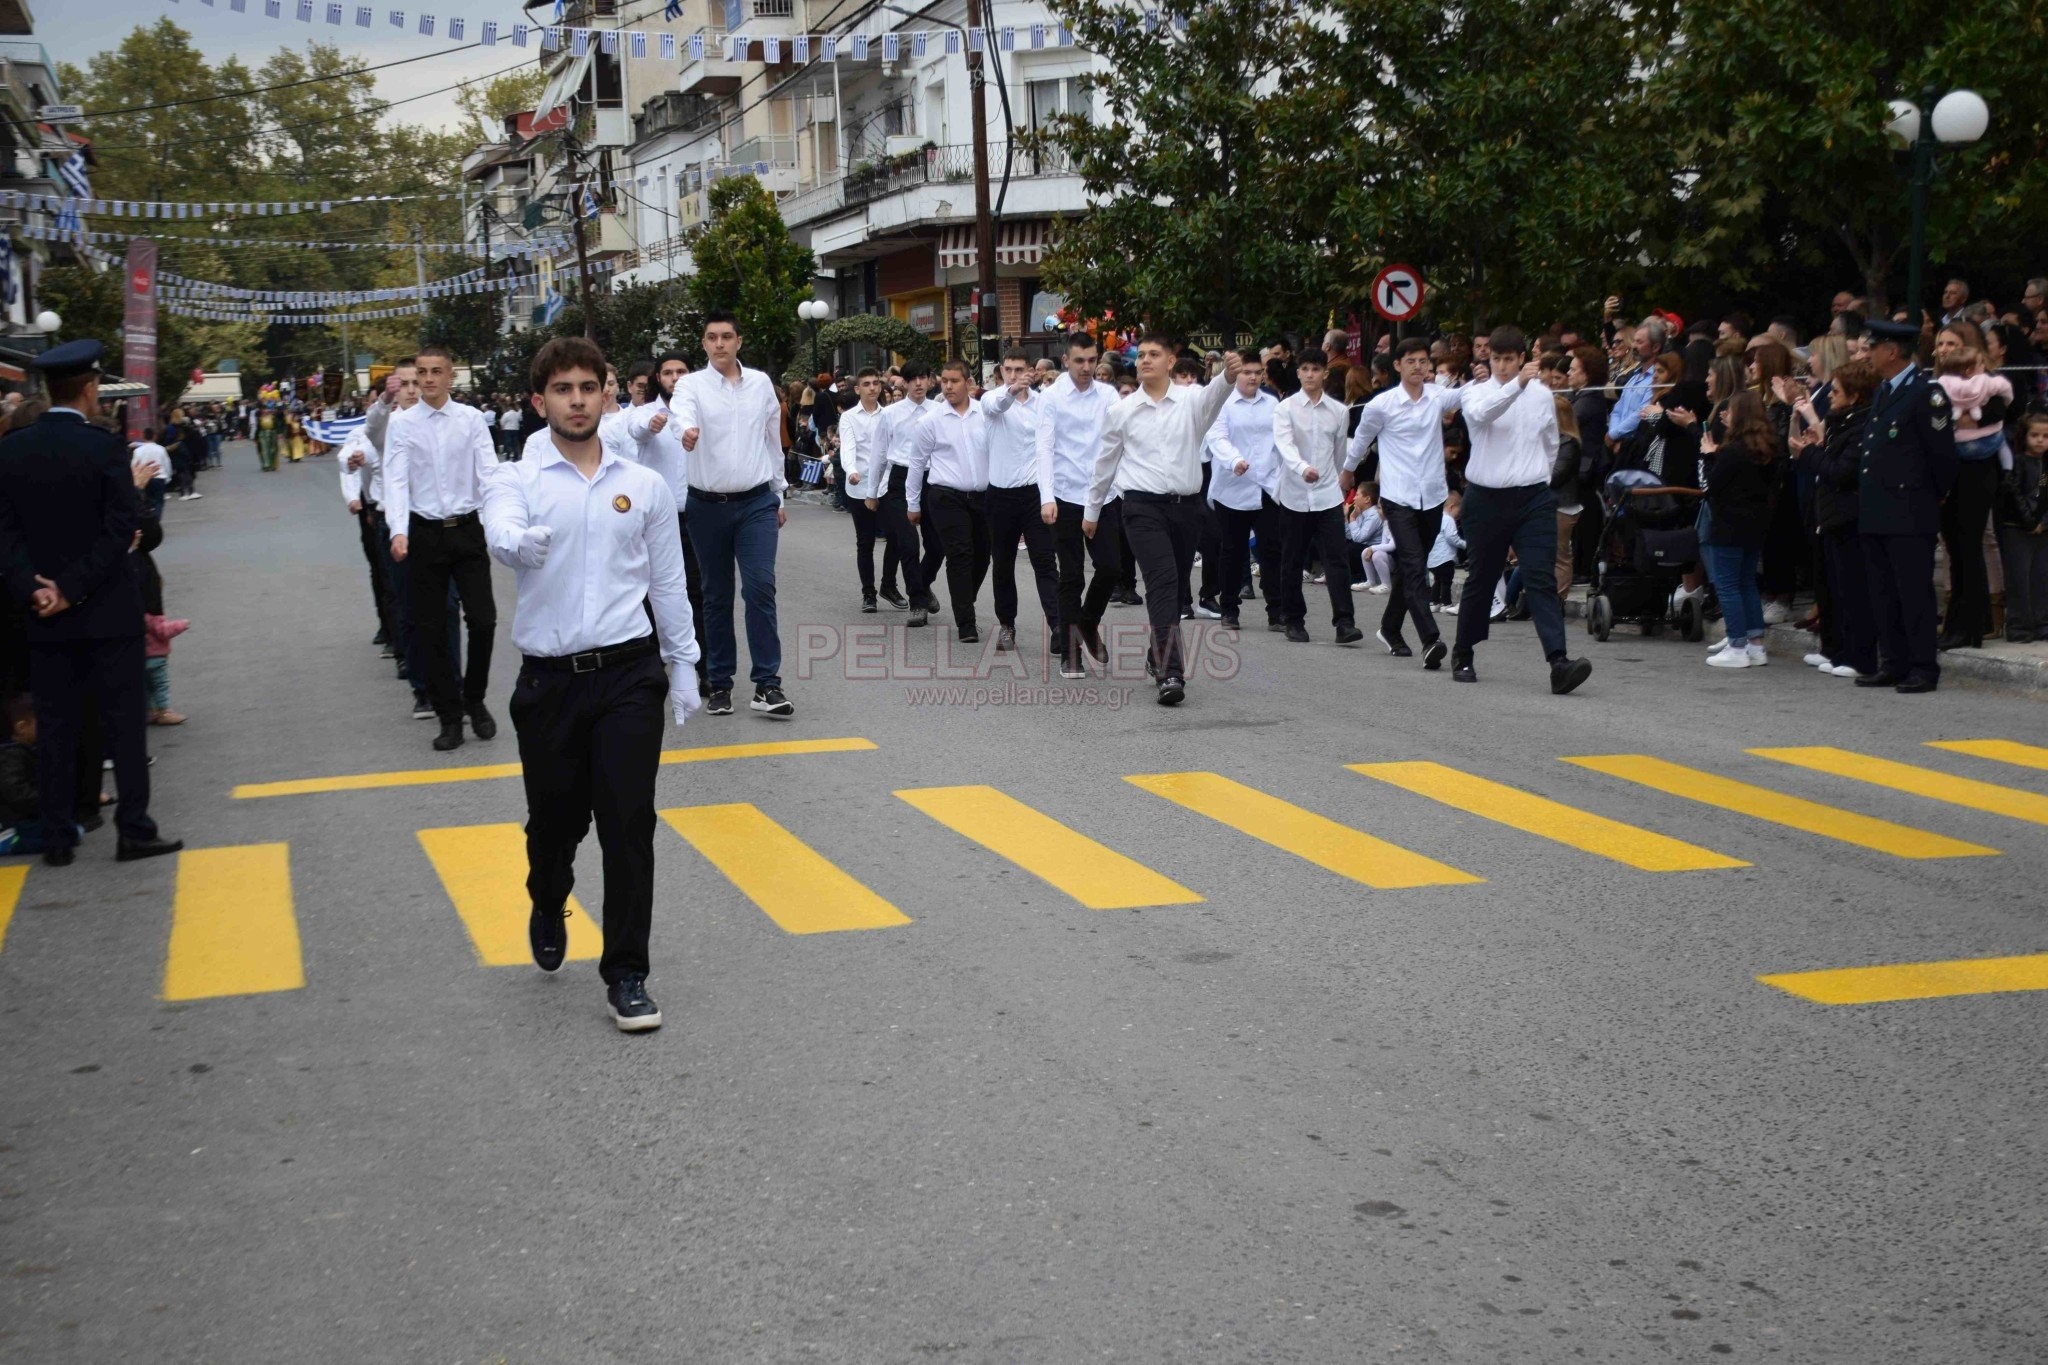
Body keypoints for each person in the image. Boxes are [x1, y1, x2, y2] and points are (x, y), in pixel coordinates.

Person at [480, 336, 701, 1034]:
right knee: (555, 825)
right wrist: (515, 543)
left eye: (588, 387)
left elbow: (667, 582)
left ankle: (627, 972)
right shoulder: (515, 479)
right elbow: (500, 528)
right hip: (548, 682)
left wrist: (684, 661)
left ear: (608, 393)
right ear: (540, 398)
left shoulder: (645, 484)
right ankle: (549, 897)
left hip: (628, 675)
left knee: (629, 824)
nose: (577, 399)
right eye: (563, 389)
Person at [0, 341, 181, 866]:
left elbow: (5, 536)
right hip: (106, 612)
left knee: (55, 726)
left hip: (42, 615)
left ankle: (58, 836)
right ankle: (134, 831)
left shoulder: (11, 450)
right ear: (88, 389)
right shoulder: (105, 448)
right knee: (122, 726)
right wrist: (74, 588)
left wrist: (36, 589)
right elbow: (120, 529)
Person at [1084, 334, 1242, 704]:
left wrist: (1228, 376)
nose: (1145, 360)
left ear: (1171, 362)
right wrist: (1092, 511)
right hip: (1141, 508)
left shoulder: (1191, 400)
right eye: (1142, 355)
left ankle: (1157, 654)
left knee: (1173, 586)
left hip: (1186, 509)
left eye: (1155, 354)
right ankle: (1171, 672)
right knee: (1162, 582)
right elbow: (1105, 463)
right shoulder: (1122, 411)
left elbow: (1215, 396)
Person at [1449, 326, 1594, 694]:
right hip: (1486, 496)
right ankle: (1463, 652)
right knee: (1482, 577)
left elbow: (1550, 443)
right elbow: (1482, 417)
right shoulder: (1476, 393)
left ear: (1521, 358)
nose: (1501, 366)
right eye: (1495, 359)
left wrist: (1538, 480)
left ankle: (1558, 662)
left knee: (1541, 577)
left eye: (1508, 360)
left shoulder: (1543, 397)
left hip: (1532, 498)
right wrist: (1516, 386)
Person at [671, 311, 793, 720]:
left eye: (726, 337)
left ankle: (767, 684)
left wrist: (779, 493)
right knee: (716, 595)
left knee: (760, 587)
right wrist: (686, 431)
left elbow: (772, 441)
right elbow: (680, 413)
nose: (719, 344)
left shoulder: (760, 384)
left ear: (739, 341)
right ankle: (720, 683)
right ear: (704, 344)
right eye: (711, 337)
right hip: (706, 506)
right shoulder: (691, 385)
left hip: (757, 502)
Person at [385, 345, 501, 750]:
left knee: (484, 620)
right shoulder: (402, 425)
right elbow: (395, 480)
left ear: (451, 376)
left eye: (436, 372)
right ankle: (449, 715)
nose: (428, 379)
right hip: (424, 533)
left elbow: (488, 473)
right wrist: (398, 530)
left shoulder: (470, 419)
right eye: (421, 373)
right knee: (431, 629)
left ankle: (475, 698)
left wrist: (494, 522)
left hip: (466, 529)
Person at [1344, 337, 1462, 668]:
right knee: (1413, 566)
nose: (1418, 367)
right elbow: (1362, 440)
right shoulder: (1381, 405)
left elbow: (1468, 396)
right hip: (1398, 497)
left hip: (1433, 495)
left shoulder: (1437, 397)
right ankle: (1431, 639)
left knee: (1414, 566)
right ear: (1397, 366)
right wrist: (1348, 472)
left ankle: (1389, 628)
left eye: (1424, 361)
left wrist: (1506, 382)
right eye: (1411, 361)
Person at [1857, 318, 1959, 693]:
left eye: (1873, 347)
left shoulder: (1924, 394)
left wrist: (1931, 498)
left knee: (1913, 592)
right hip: (1879, 509)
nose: (1867, 354)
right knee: (1883, 592)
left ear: (1892, 351)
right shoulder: (1885, 391)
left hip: (1910, 510)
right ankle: (1894, 662)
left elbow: (1943, 458)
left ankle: (1922, 667)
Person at [1040, 334, 1124, 679]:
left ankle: (1089, 623)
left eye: (1092, 361)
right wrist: (1046, 496)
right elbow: (1044, 448)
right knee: (1071, 576)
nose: (1087, 367)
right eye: (1080, 361)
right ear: (1066, 360)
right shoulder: (1051, 397)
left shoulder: (1109, 395)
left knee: (1110, 568)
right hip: (1065, 497)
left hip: (1104, 495)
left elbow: (1119, 442)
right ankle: (1071, 652)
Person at [1792, 358, 1879, 677]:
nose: (1830, 395)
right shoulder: (1845, 421)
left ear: (1855, 396)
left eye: (1837, 391)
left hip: (1849, 517)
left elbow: (1842, 472)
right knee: (1835, 589)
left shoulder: (1861, 426)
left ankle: (1859, 657)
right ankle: (1839, 650)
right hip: (1831, 515)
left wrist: (1810, 454)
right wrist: (1818, 448)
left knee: (1854, 591)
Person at [1270, 350, 1364, 645]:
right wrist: (1302, 468)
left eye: (1315, 369)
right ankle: (1294, 620)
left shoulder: (1338, 411)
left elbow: (1339, 453)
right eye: (1305, 369)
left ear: (1325, 373)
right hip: (1294, 494)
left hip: (1326, 495)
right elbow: (1284, 445)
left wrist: (1336, 478)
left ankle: (1345, 622)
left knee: (1336, 559)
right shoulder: (1284, 409)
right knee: (1292, 559)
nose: (1310, 374)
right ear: (1298, 373)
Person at [907, 359, 993, 643]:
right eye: (944, 380)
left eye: (954, 381)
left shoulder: (985, 414)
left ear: (968, 383)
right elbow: (917, 464)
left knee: (982, 556)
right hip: (945, 496)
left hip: (982, 497)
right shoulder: (930, 421)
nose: (948, 386)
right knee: (960, 555)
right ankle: (966, 623)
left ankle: (965, 599)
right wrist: (913, 504)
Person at [979, 348, 1059, 653]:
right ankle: (1007, 624)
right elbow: (998, 404)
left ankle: (1058, 626)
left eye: (1019, 370)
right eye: (1008, 369)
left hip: (1034, 493)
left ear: (1032, 372)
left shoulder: (1043, 404)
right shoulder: (992, 400)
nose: (1014, 375)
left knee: (1045, 561)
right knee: (1003, 563)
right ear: (1002, 370)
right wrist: (1012, 389)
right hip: (1000, 495)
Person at [1698, 391, 1780, 668]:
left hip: (1729, 524)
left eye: (1730, 412)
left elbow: (1710, 486)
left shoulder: (1732, 451)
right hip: (1757, 523)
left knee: (1728, 584)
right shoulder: (1768, 448)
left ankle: (1737, 644)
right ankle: (1756, 644)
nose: (1726, 417)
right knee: (1747, 582)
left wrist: (1709, 456)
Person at [1204, 351, 1282, 633]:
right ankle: (1229, 608)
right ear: (1236, 375)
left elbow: (1282, 441)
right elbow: (1216, 437)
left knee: (1272, 549)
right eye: (1246, 372)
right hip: (1232, 488)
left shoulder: (1272, 403)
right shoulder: (1223, 404)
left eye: (1256, 372)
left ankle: (1277, 610)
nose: (1252, 377)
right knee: (1233, 551)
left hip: (1266, 487)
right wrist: (1234, 460)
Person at [866, 360, 941, 628]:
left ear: (931, 381)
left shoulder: (939, 411)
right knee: (908, 542)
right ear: (904, 383)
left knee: (937, 544)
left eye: (923, 377)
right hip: (899, 479)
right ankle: (917, 602)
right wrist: (872, 492)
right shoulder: (891, 414)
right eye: (913, 379)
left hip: (933, 479)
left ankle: (923, 582)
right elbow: (879, 455)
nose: (919, 383)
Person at [836, 368, 901, 612]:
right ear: (858, 389)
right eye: (867, 384)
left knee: (896, 535)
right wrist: (851, 470)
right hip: (860, 485)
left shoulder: (891, 414)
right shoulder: (849, 417)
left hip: (886, 485)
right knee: (865, 541)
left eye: (876, 383)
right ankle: (868, 594)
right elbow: (848, 448)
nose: (873, 388)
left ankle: (888, 584)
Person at [1994, 413, 2048, 644]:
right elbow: (2014, 494)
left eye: (2046, 436)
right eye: (2034, 435)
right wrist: (2029, 521)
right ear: (2023, 436)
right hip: (2016, 528)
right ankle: (2019, 626)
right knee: (2019, 579)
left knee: (2040, 578)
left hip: (2043, 530)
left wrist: (2043, 522)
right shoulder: (2015, 462)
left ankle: (2041, 624)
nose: (2040, 440)